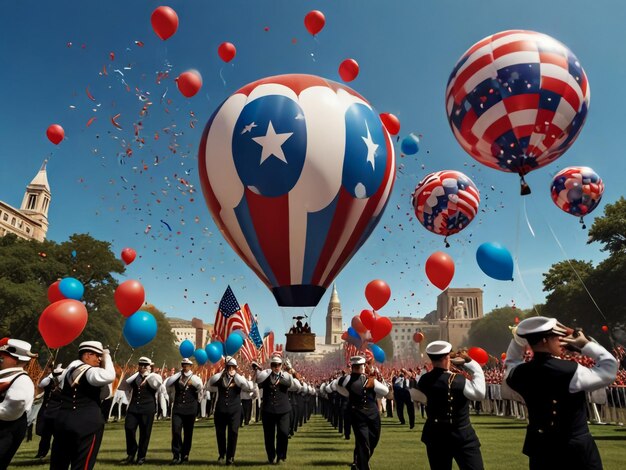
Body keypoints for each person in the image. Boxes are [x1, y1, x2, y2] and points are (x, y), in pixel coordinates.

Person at [505, 316, 618, 470]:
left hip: (541, 447)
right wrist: (585, 344)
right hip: (575, 448)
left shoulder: (517, 373)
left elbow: (511, 361)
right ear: (545, 340)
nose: (561, 340)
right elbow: (609, 368)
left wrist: (518, 338)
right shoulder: (570, 370)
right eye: (556, 336)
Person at [415, 341, 485, 470]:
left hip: (435, 435)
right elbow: (480, 393)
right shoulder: (457, 380)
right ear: (448, 357)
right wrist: (471, 364)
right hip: (461, 434)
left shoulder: (423, 380)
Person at [50, 341, 115, 470]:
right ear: (87, 355)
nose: (99, 359)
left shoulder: (69, 370)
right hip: (87, 426)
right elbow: (109, 378)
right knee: (82, 466)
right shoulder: (90, 371)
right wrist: (107, 356)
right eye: (97, 355)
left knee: (58, 465)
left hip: (63, 422)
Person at [337, 356, 389, 470]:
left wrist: (346, 393)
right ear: (362, 367)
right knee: (363, 442)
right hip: (359, 415)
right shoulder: (350, 379)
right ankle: (362, 466)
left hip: (371, 415)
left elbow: (337, 386)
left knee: (372, 440)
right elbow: (385, 391)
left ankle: (359, 462)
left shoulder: (366, 379)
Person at [207, 356, 253, 465]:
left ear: (236, 368)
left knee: (233, 432)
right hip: (221, 409)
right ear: (226, 367)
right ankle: (222, 454)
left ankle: (230, 456)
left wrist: (238, 376)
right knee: (220, 433)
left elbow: (248, 387)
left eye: (233, 367)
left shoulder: (238, 379)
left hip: (235, 410)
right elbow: (209, 385)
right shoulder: (220, 378)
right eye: (229, 367)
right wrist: (221, 373)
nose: (231, 369)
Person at [0, 338, 36, 469]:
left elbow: (11, 410)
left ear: (15, 359)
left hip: (5, 431)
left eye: (4, 355)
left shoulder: (22, 381)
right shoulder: (6, 376)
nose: (1, 358)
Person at [122, 357, 163, 465]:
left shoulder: (153, 377)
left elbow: (157, 384)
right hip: (134, 407)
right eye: (141, 365)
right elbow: (126, 386)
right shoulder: (135, 377)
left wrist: (148, 374)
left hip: (147, 408)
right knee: (129, 427)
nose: (143, 367)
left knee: (145, 433)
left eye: (145, 366)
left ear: (150, 367)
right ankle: (131, 452)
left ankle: (141, 456)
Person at [255, 354, 294, 465]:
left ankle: (281, 455)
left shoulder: (285, 376)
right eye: (274, 365)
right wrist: (258, 371)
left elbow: (289, 383)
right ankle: (271, 456)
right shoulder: (266, 376)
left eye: (278, 365)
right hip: (268, 410)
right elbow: (258, 382)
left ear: (281, 366)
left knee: (283, 432)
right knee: (269, 435)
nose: (276, 367)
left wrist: (281, 378)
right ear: (271, 366)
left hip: (283, 410)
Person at [165, 358, 203, 465]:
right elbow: (169, 388)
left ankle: (185, 455)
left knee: (188, 433)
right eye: (183, 365)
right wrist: (172, 399)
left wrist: (194, 386)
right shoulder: (176, 378)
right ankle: (176, 455)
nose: (185, 367)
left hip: (190, 408)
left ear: (191, 366)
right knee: (176, 431)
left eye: (187, 365)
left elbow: (201, 390)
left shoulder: (195, 378)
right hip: (178, 407)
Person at [35, 363, 63, 460]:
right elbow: (40, 384)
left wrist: (52, 374)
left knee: (53, 436)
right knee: (46, 435)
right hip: (50, 412)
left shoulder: (62, 381)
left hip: (55, 412)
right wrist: (52, 373)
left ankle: (47, 453)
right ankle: (42, 453)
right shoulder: (49, 381)